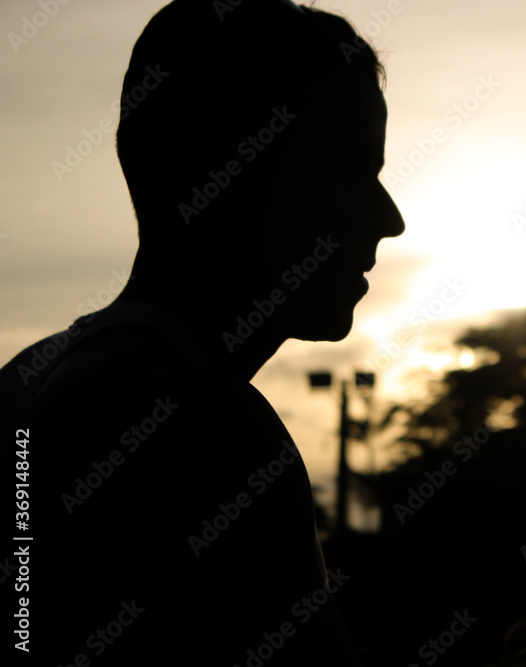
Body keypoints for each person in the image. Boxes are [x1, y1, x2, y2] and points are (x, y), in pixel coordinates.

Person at [2, 0, 403, 664]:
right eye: (347, 165)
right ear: (227, 168)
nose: (389, 218)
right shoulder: (205, 425)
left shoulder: (27, 378)